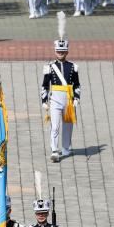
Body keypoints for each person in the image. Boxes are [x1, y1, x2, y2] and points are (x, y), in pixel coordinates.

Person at [41, 12, 81, 163]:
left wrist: (77, 98)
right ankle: (54, 149)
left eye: (63, 52)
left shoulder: (73, 67)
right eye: (59, 51)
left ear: (67, 52)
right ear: (55, 51)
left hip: (69, 99)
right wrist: (44, 100)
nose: (61, 54)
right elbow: (45, 85)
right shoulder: (49, 67)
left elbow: (77, 85)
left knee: (68, 125)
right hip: (55, 98)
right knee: (55, 125)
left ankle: (66, 147)